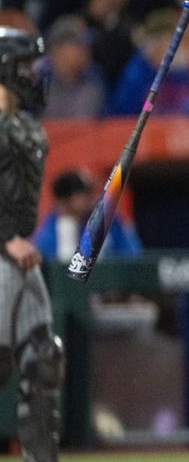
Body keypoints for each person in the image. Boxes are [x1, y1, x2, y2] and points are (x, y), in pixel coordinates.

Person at [0, 28, 64, 461]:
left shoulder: (23, 125)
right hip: (5, 250)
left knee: (43, 362)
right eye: (23, 65)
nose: (31, 74)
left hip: (17, 258)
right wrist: (6, 237)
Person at [33, 170, 141, 261]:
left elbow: (131, 253)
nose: (91, 197)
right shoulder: (52, 224)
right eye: (85, 193)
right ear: (65, 201)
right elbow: (46, 255)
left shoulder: (107, 217)